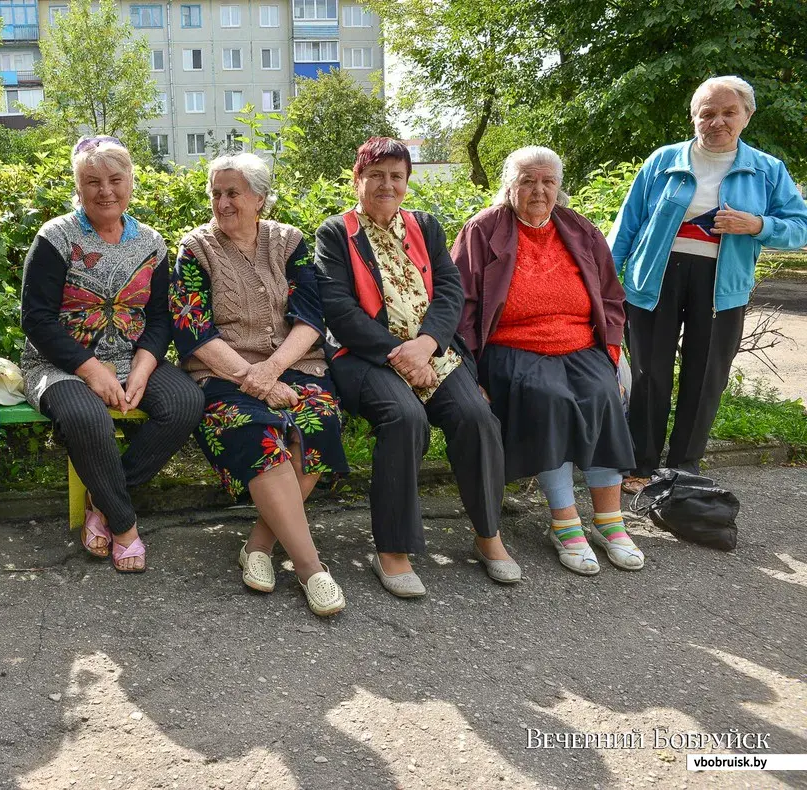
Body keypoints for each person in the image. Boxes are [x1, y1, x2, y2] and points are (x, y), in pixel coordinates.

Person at [314, 137, 520, 597]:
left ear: (407, 181)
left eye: (396, 176)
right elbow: (339, 310)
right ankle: (392, 550)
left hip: (432, 353)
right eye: (377, 175)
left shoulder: (425, 226)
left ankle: (489, 535)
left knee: (476, 418)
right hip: (366, 358)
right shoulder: (336, 232)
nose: (387, 184)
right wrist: (400, 355)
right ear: (357, 178)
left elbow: (449, 289)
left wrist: (425, 345)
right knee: (404, 418)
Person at [608, 76, 807, 492]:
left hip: (722, 287)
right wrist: (605, 279)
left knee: (705, 377)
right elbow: (626, 225)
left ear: (747, 116)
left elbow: (798, 228)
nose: (717, 121)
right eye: (707, 113)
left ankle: (683, 469)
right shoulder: (663, 160)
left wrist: (758, 225)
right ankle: (641, 464)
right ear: (694, 117)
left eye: (728, 112)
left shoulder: (768, 170)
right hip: (653, 281)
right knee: (648, 375)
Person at [171, 153, 348, 616]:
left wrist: (273, 370)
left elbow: (311, 317)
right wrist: (256, 379)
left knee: (317, 422)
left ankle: (258, 544)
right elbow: (194, 331)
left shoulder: (289, 242)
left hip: (296, 364)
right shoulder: (194, 249)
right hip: (223, 372)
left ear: (260, 199)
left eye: (233, 193)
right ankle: (311, 569)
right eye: (216, 193)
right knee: (257, 432)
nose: (222, 202)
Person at [454, 146, 643, 575]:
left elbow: (612, 297)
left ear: (559, 186)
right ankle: (565, 523)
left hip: (581, 343)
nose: (539, 190)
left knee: (602, 394)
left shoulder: (579, 228)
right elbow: (459, 306)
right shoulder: (482, 230)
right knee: (549, 397)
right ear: (509, 185)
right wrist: (471, 370)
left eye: (548, 182)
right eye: (528, 181)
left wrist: (611, 355)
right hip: (512, 345)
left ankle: (610, 521)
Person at [20, 137, 203, 574]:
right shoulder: (56, 237)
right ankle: (124, 526)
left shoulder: (152, 244)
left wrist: (144, 364)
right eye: (93, 181)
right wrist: (88, 368)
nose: (106, 191)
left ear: (131, 183)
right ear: (78, 188)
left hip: (131, 355)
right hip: (59, 362)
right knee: (88, 418)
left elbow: (160, 318)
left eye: (115, 180)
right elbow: (36, 319)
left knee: (184, 404)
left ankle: (101, 500)